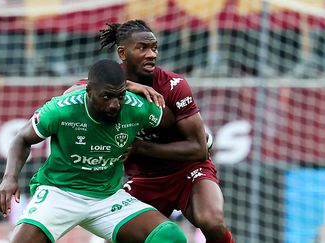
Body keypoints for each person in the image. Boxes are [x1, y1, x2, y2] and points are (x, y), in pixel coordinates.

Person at [69, 19, 234, 243]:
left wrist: (140, 147)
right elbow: (70, 94)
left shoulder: (174, 85)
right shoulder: (107, 83)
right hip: (144, 179)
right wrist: (129, 87)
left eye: (154, 48)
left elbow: (199, 149)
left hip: (188, 171)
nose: (151, 54)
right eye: (142, 48)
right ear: (122, 52)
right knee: (106, 239)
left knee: (211, 221)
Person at [0, 59, 187, 243]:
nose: (115, 105)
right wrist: (9, 177)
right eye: (106, 97)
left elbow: (171, 122)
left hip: (107, 197)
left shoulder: (136, 107)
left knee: (170, 236)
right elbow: (22, 138)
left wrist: (197, 134)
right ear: (89, 91)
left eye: (120, 96)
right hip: (59, 192)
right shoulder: (61, 109)